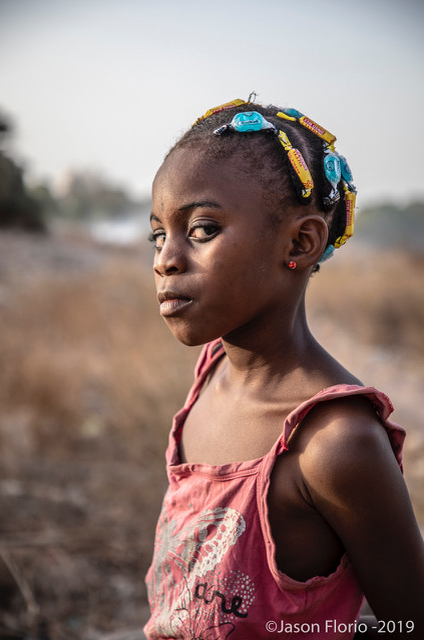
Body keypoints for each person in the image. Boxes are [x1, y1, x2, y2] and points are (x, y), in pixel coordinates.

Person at [144, 97, 424, 639]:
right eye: (158, 234)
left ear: (300, 242)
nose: (164, 259)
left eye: (201, 229)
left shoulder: (335, 443)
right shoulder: (212, 375)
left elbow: (410, 620)